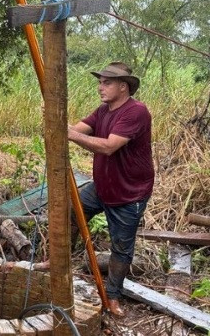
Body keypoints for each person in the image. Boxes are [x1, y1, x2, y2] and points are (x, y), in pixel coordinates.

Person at [68, 62, 154, 317]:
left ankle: (113, 296)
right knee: (72, 213)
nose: (100, 87)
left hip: (129, 193)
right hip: (103, 187)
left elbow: (108, 146)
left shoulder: (136, 112)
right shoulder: (103, 111)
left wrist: (70, 135)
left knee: (121, 246)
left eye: (106, 83)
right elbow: (76, 129)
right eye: (100, 82)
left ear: (123, 87)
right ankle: (58, 261)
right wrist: (56, 120)